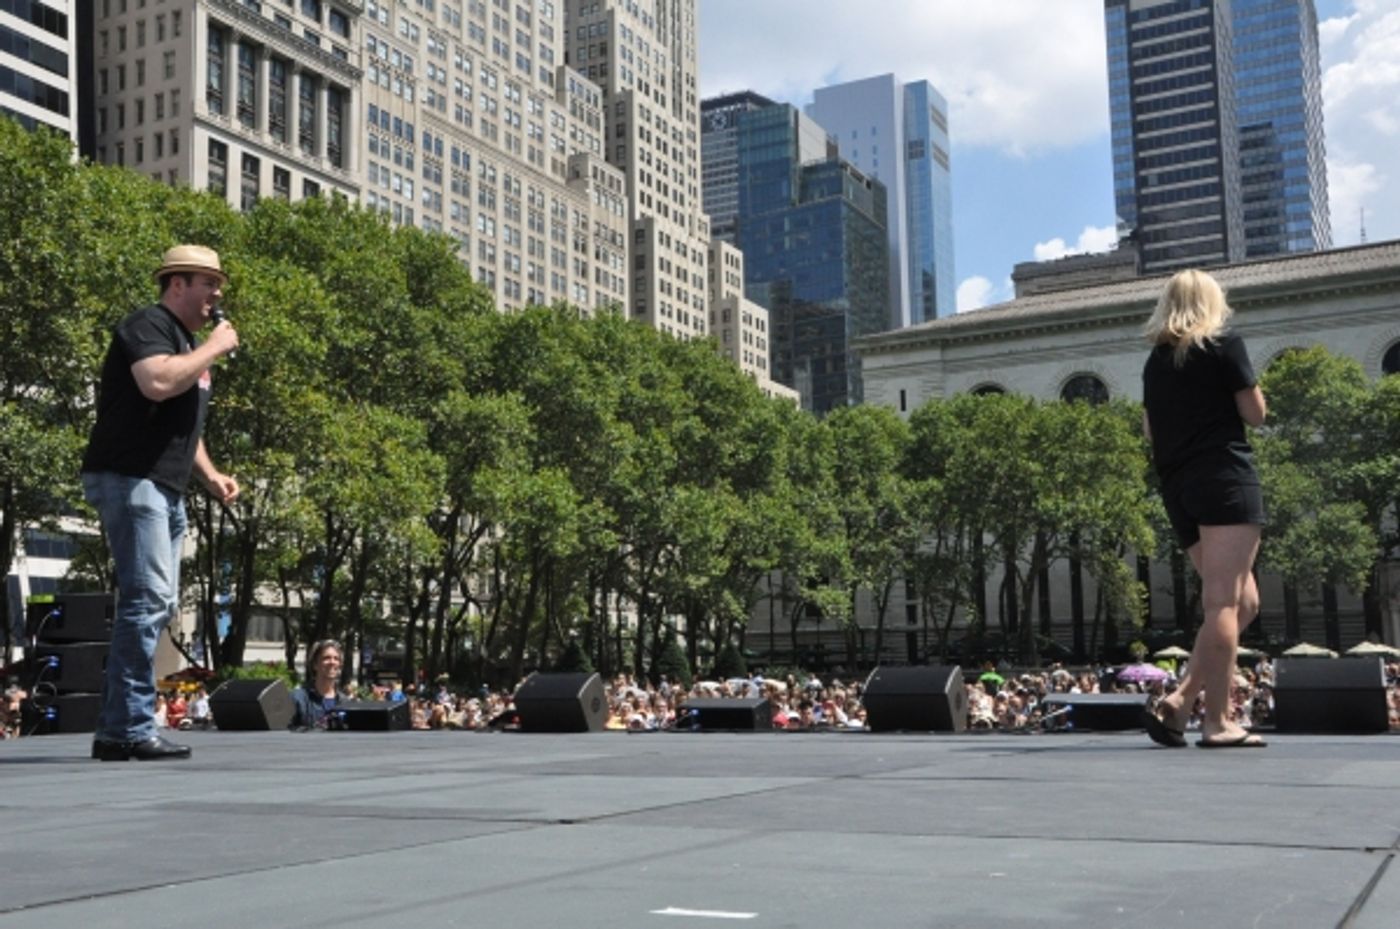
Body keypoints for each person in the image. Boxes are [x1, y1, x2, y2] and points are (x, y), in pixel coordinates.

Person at [83, 244, 240, 761]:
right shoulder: (147, 325)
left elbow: (183, 425)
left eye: (219, 285)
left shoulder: (186, 344)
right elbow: (155, 383)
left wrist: (212, 476)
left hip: (164, 486)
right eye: (208, 284)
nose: (217, 295)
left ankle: (115, 730)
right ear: (177, 284)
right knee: (147, 599)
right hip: (131, 478)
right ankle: (128, 727)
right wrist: (214, 347)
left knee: (156, 602)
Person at [1141, 269, 1267, 749]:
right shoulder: (1223, 344)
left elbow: (1152, 432)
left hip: (1180, 489)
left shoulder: (1155, 362)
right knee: (1224, 603)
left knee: (1244, 603)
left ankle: (1181, 698)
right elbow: (1255, 413)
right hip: (1224, 478)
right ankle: (1217, 721)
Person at [290, 640, 347, 730]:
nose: (332, 662)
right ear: (315, 664)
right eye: (326, 658)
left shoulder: (345, 702)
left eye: (336, 658)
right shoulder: (298, 699)